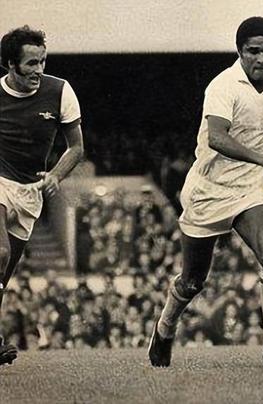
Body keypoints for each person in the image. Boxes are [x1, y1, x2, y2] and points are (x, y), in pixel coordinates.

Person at [148, 17, 263, 368]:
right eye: (253, 51)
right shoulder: (223, 86)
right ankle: (165, 327)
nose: (262, 58)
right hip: (209, 190)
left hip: (250, 187)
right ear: (240, 51)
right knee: (193, 281)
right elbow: (217, 137)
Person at [0, 26, 84, 367]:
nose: (38, 70)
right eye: (31, 63)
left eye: (42, 61)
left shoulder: (60, 91)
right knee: (0, 253)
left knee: (3, 276)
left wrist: (56, 175)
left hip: (30, 192)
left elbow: (76, 148)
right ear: (10, 64)